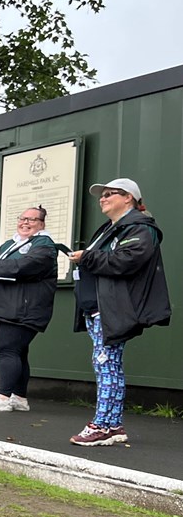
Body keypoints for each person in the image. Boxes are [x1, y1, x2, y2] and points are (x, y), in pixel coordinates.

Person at [67, 179, 170, 446]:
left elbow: (127, 261)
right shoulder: (110, 229)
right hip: (96, 310)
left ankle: (101, 425)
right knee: (106, 365)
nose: (103, 198)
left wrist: (86, 257)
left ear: (129, 198)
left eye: (110, 194)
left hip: (113, 310)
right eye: (102, 195)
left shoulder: (140, 228)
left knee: (106, 365)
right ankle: (113, 425)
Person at [0, 205, 60, 412]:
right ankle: (19, 398)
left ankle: (2, 398)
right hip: (4, 307)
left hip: (23, 309)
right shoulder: (11, 243)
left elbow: (21, 267)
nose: (25, 223)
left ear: (42, 224)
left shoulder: (45, 246)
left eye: (32, 220)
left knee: (8, 350)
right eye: (22, 219)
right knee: (18, 353)